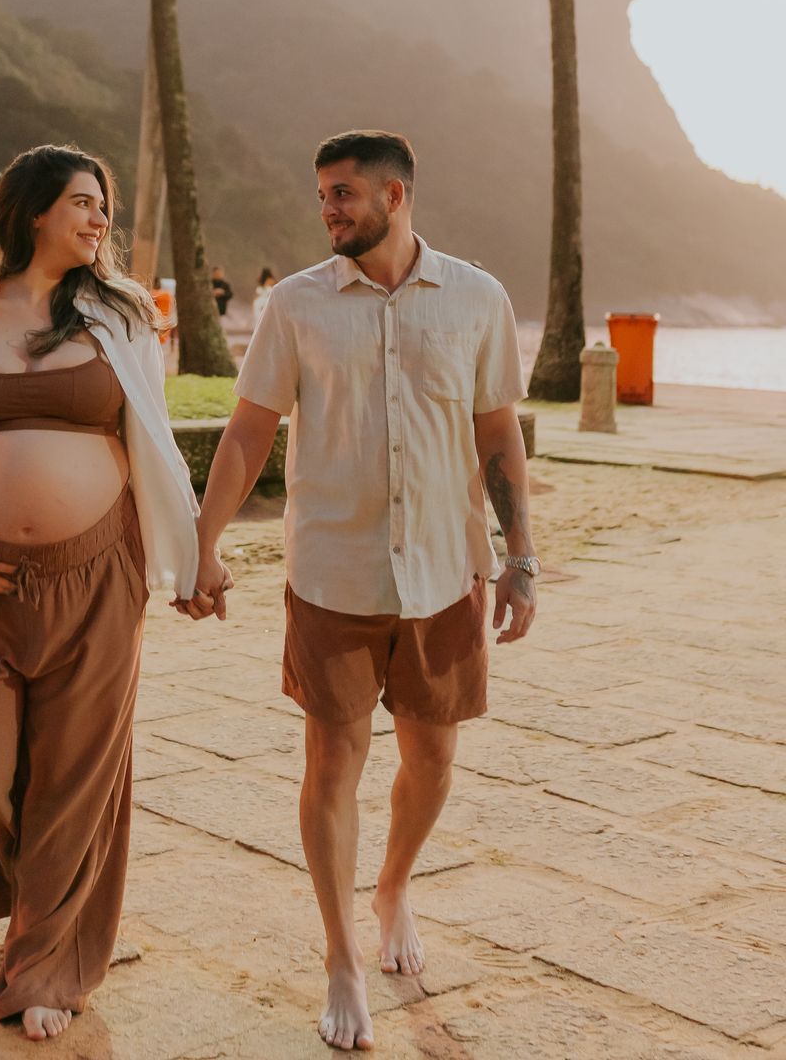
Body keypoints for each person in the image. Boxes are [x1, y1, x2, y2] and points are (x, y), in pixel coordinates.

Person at [178, 129, 536, 1054]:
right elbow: (249, 435)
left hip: (444, 573)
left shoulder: (477, 299)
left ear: (396, 195)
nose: (329, 210)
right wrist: (202, 547)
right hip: (331, 573)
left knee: (434, 758)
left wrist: (521, 555)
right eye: (324, 197)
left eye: (343, 195)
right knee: (332, 764)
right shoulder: (295, 305)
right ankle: (341, 955)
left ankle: (392, 889)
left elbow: (499, 437)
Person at [0, 144, 200, 1040]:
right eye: (82, 202)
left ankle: (44, 967)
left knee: (74, 777)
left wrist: (195, 556)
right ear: (31, 213)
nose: (101, 219)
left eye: (105, 205)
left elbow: (156, 441)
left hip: (99, 575)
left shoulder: (120, 316)